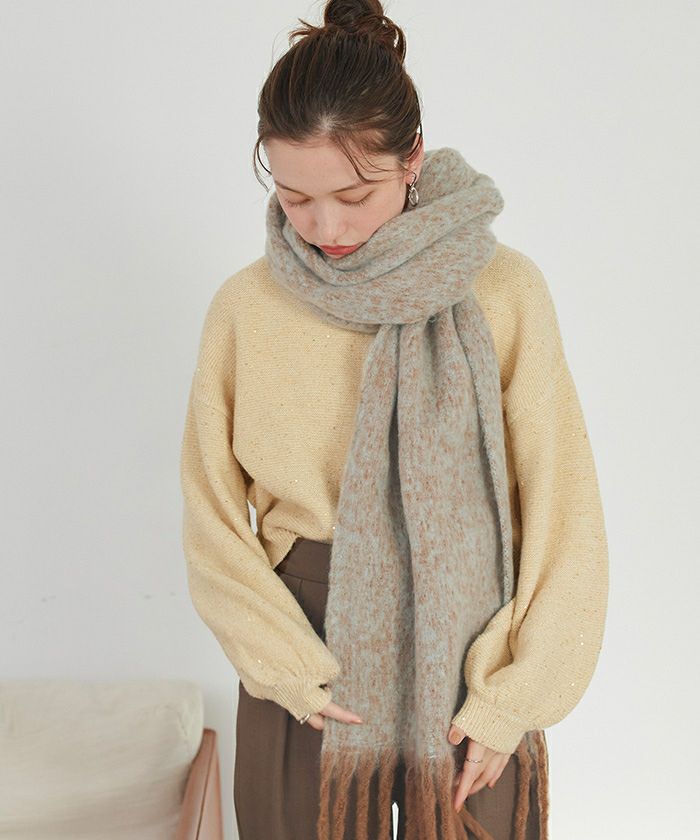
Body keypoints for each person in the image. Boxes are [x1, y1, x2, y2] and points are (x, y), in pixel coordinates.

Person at [179, 2, 609, 839]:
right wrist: (282, 663)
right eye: (295, 197)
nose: (325, 227)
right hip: (306, 635)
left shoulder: (503, 291)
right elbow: (211, 513)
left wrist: (514, 696)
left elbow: (563, 507)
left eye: (354, 194)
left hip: (471, 637)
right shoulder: (246, 308)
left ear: (412, 158)